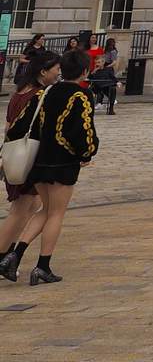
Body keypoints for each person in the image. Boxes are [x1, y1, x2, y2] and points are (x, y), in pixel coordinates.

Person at [0, 49, 97, 284]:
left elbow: (18, 126)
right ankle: (43, 265)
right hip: (62, 162)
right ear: (85, 71)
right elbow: (82, 130)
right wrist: (88, 152)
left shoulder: (45, 92)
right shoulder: (80, 95)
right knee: (56, 214)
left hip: (40, 161)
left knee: (44, 210)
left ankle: (14, 254)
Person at [0, 54, 51, 282]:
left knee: (30, 209)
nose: (58, 73)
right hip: (28, 159)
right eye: (55, 69)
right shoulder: (38, 96)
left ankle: (8, 257)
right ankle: (1, 259)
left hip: (14, 155)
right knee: (20, 212)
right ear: (43, 71)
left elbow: (8, 127)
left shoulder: (18, 94)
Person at [90, 38, 119, 116]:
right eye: (97, 62)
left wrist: (118, 82)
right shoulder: (94, 70)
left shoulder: (108, 69)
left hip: (106, 86)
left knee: (112, 88)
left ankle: (111, 108)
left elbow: (112, 77)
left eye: (99, 62)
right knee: (97, 90)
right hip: (96, 86)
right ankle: (98, 102)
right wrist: (94, 70)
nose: (98, 64)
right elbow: (90, 78)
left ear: (103, 62)